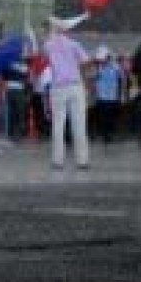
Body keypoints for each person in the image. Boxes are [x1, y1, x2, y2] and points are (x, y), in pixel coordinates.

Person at [43, 17, 92, 170]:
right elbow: (86, 62)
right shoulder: (74, 44)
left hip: (58, 87)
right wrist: (83, 78)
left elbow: (45, 58)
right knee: (79, 123)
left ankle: (58, 160)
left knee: (58, 124)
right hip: (75, 85)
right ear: (65, 30)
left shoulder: (48, 45)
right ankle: (82, 160)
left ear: (52, 30)